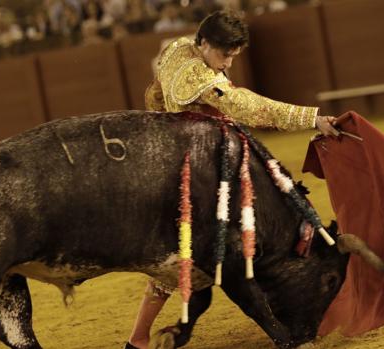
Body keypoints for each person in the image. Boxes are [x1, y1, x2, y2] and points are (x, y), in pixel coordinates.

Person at [126, 10, 339, 349]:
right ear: (206, 43)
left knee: (179, 262)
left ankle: (140, 338)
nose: (227, 64)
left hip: (182, 166)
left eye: (234, 56)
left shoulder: (177, 48)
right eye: (224, 54)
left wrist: (164, 127)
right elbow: (247, 106)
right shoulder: (198, 76)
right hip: (201, 174)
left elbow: (153, 94)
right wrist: (311, 118)